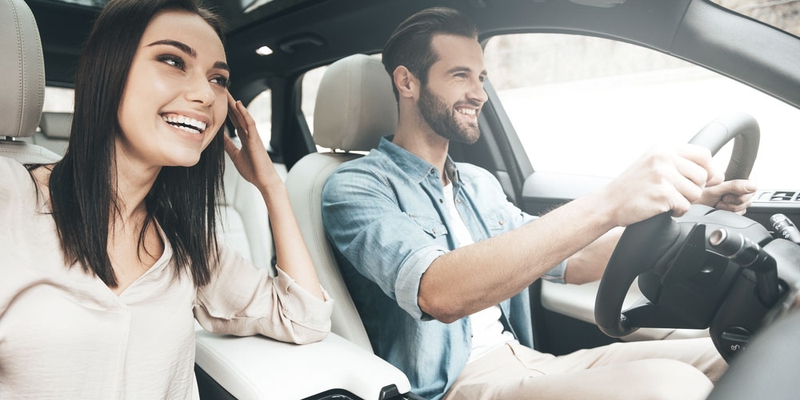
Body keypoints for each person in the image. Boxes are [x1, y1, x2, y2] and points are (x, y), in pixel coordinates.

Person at [321, 7, 756, 400]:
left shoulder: (476, 182)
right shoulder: (355, 189)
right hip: (454, 387)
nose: (480, 94)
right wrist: (610, 200)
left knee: (746, 349)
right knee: (676, 388)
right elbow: (440, 293)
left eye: (482, 78)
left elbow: (575, 259)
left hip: (530, 361)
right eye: (460, 76)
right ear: (406, 81)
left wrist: (689, 209)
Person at [0, 0, 332, 398]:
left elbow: (304, 318)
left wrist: (271, 187)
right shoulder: (11, 200)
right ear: (110, 71)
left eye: (219, 79)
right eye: (173, 60)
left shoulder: (187, 244)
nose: (205, 95)